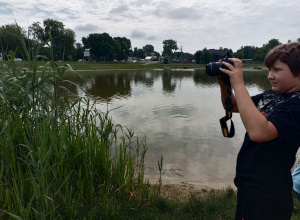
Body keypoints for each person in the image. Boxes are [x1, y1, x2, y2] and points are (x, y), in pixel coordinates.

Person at [216, 42, 300, 220]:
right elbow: (235, 106)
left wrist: (239, 82)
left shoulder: (296, 105)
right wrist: (225, 85)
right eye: (269, 70)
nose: (270, 76)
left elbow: (260, 132)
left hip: (268, 194)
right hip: (250, 186)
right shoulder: (271, 95)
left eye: (276, 70)